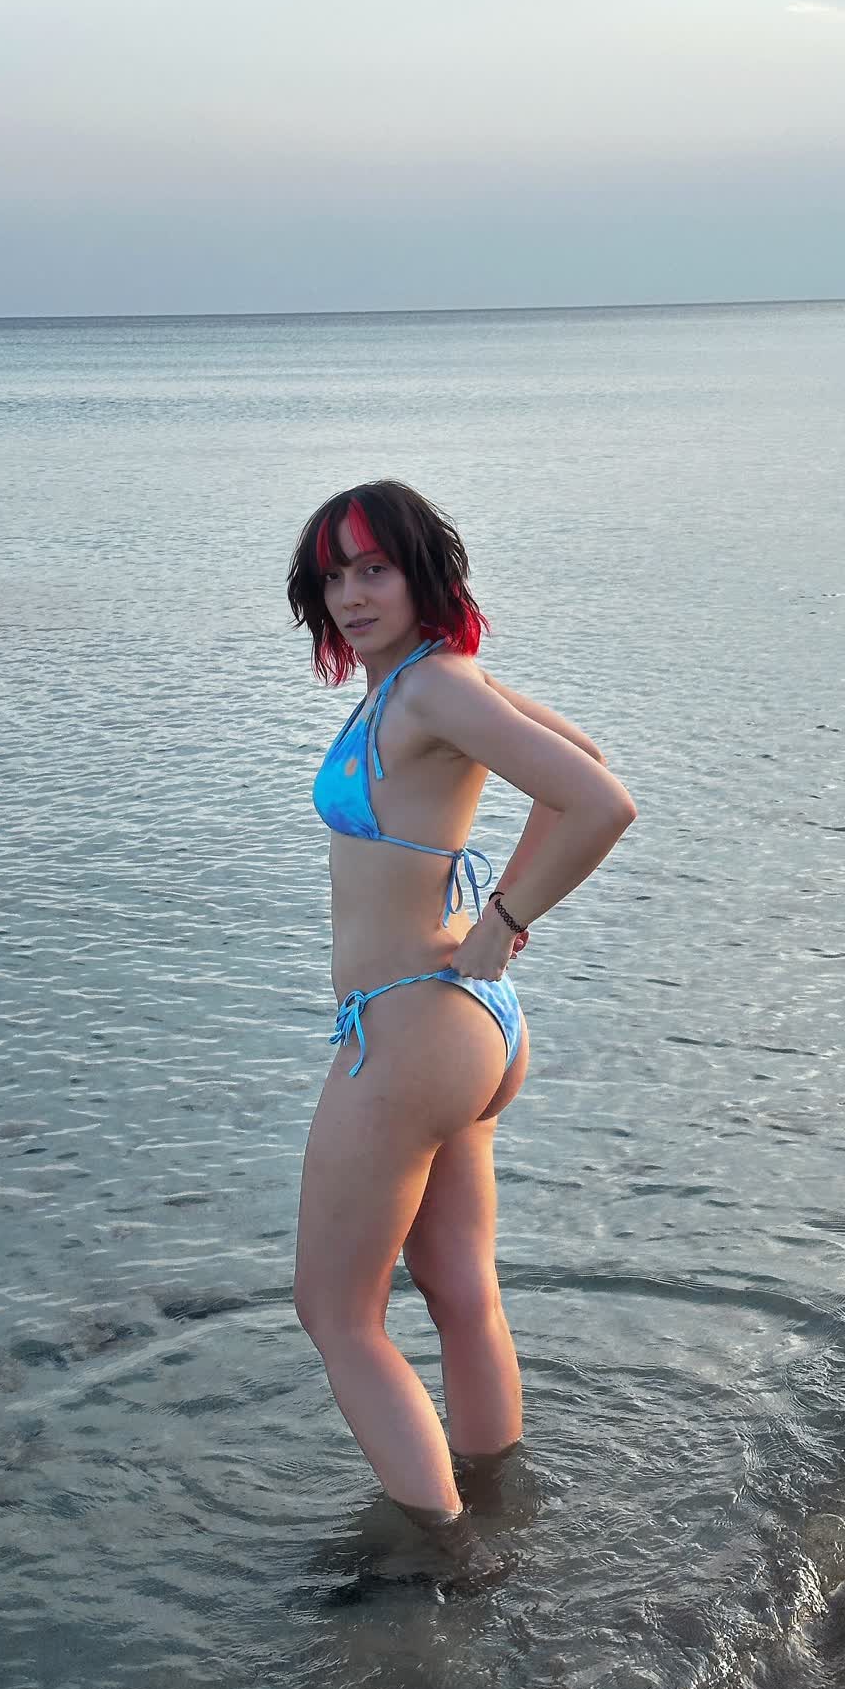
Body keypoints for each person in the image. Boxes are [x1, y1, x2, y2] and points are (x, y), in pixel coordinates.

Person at [286, 479, 637, 1560]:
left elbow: (600, 801)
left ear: (422, 575)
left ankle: (443, 1561)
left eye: (374, 569)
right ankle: (496, 1504)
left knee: (336, 1315)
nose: (352, 595)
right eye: (334, 576)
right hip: (462, 1027)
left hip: (411, 1030)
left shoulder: (433, 689)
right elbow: (581, 758)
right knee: (458, 1288)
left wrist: (507, 917)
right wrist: (496, 925)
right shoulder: (432, 683)